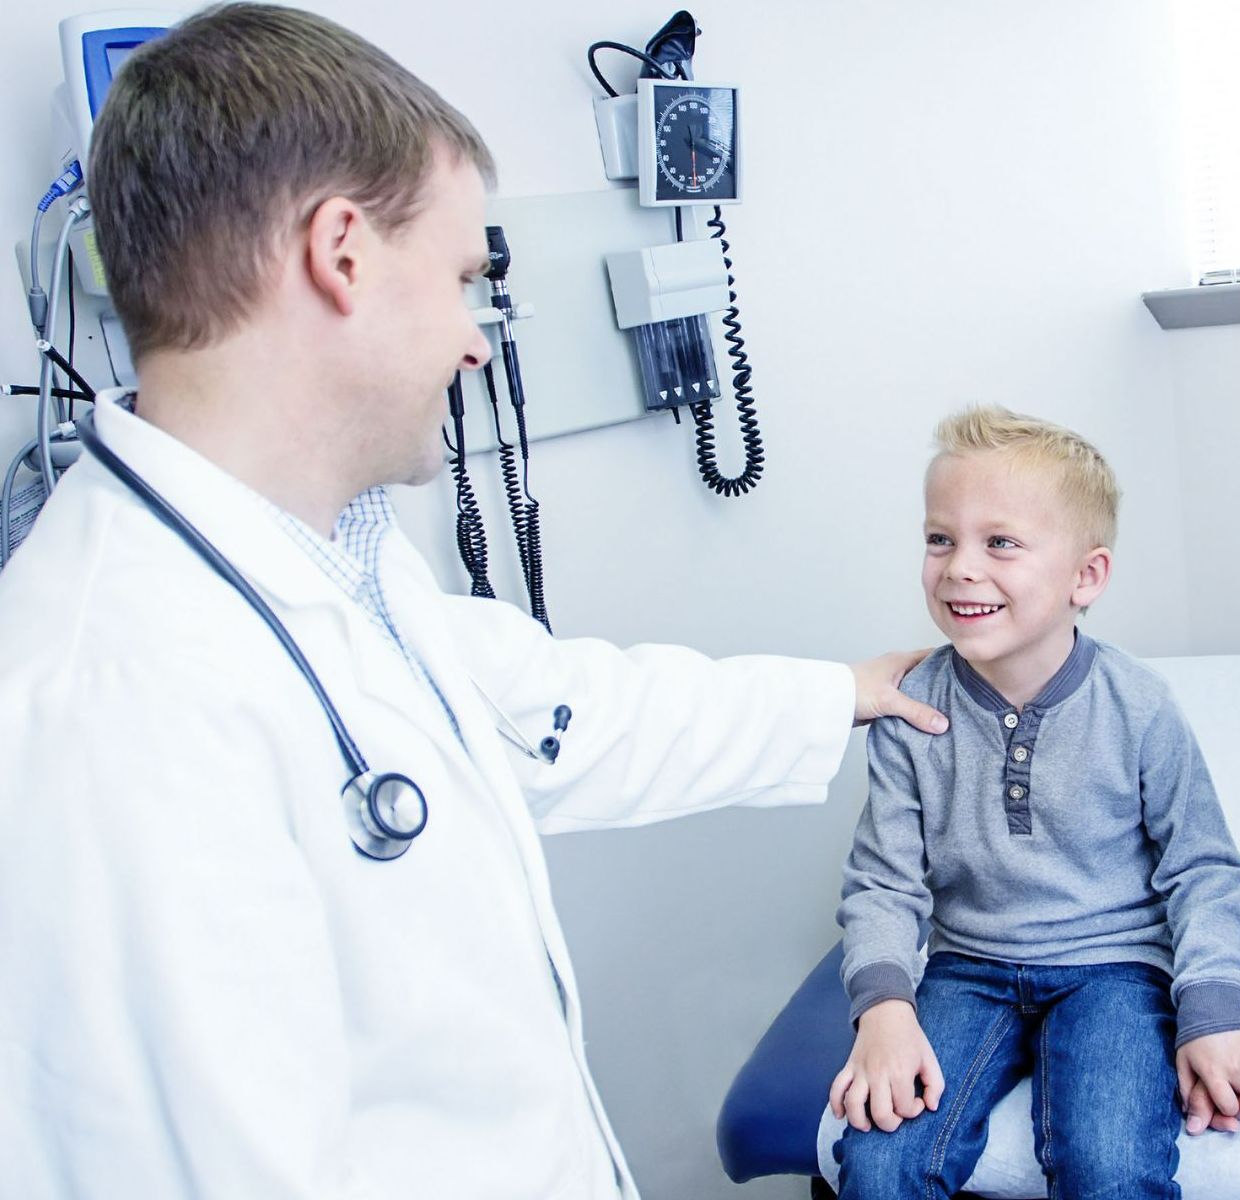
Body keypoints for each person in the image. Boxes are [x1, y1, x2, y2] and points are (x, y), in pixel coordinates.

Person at [0, 6, 945, 1198]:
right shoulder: (109, 707)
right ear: (340, 253)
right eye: (462, 277)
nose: (475, 340)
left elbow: (552, 712)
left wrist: (842, 695)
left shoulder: (339, 553)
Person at [827, 406, 1240, 1199]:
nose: (961, 567)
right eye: (941, 539)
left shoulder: (1139, 705)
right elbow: (883, 884)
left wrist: (1212, 1003)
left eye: (999, 542)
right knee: (878, 1164)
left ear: (1086, 577)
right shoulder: (909, 710)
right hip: (968, 967)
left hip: (1114, 971)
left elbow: (1203, 868)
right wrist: (884, 1011)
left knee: (1109, 1164)